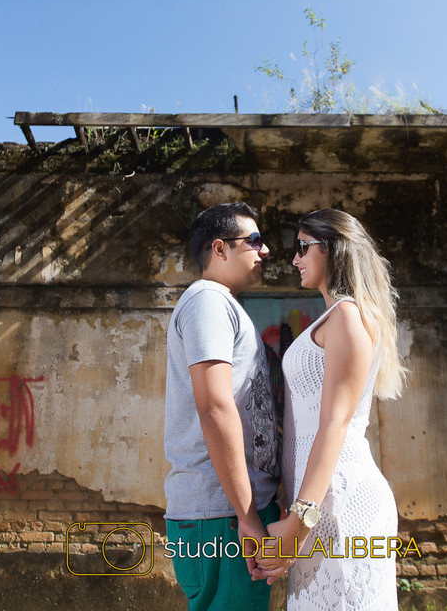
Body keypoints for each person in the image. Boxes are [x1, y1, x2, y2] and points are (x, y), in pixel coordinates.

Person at [256, 209, 407, 611]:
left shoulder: (346, 315)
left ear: (333, 249)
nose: (295, 258)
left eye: (303, 246)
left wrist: (299, 519)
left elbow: (334, 423)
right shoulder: (335, 317)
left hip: (339, 500)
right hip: (318, 502)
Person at [164, 202, 281, 611]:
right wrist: (247, 517)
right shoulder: (207, 301)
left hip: (232, 512)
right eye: (254, 241)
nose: (264, 251)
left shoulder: (223, 304)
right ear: (220, 249)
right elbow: (214, 406)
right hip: (224, 518)